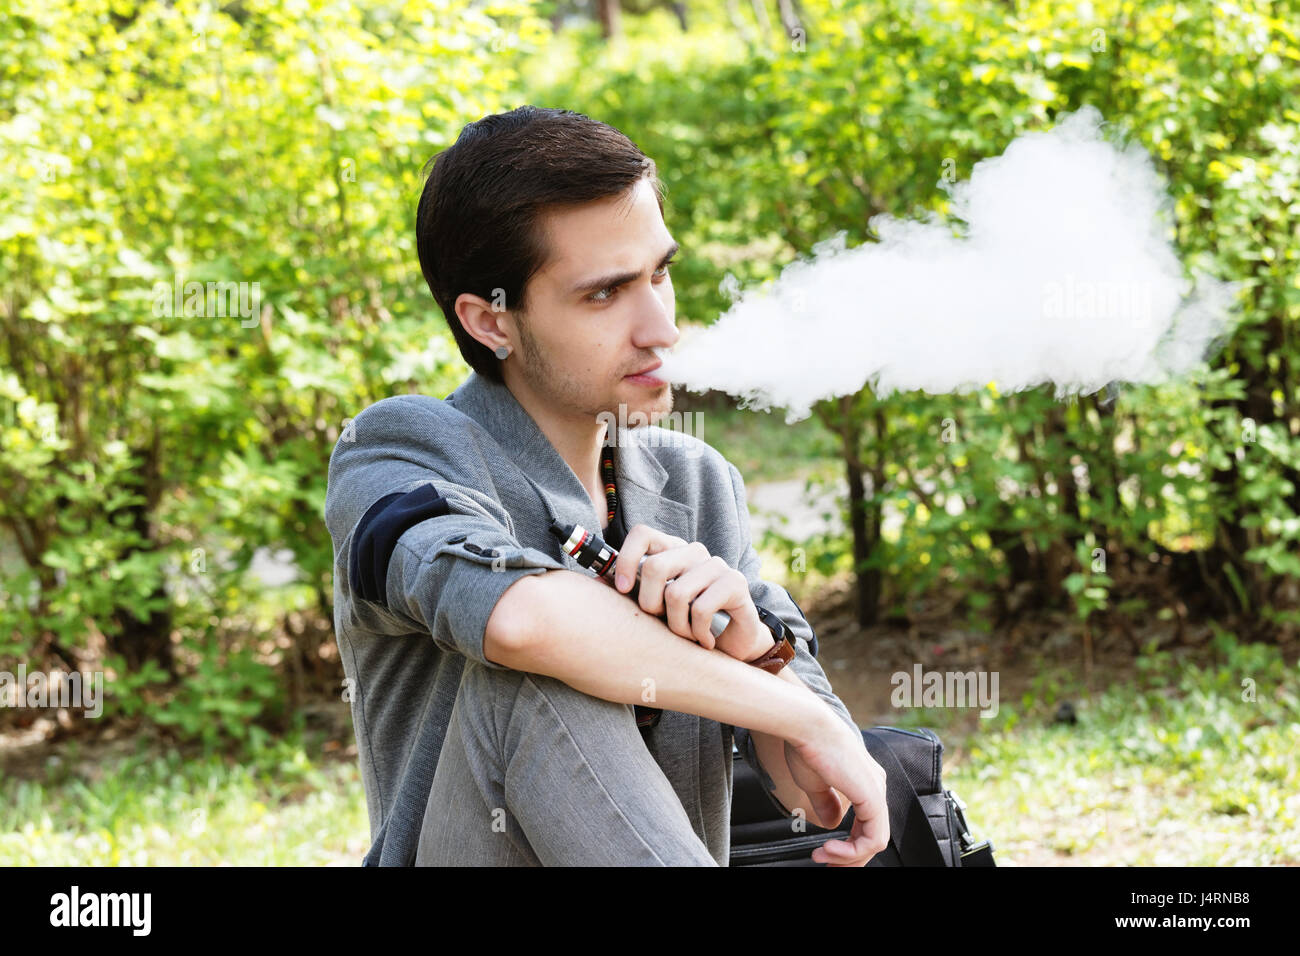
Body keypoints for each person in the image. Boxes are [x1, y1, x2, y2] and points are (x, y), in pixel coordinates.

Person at [323, 105, 887, 866]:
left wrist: (755, 651)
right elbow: (520, 625)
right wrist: (806, 717)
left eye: (660, 274)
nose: (661, 328)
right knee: (534, 669)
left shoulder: (695, 484)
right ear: (491, 322)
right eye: (604, 293)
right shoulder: (401, 449)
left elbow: (813, 800)